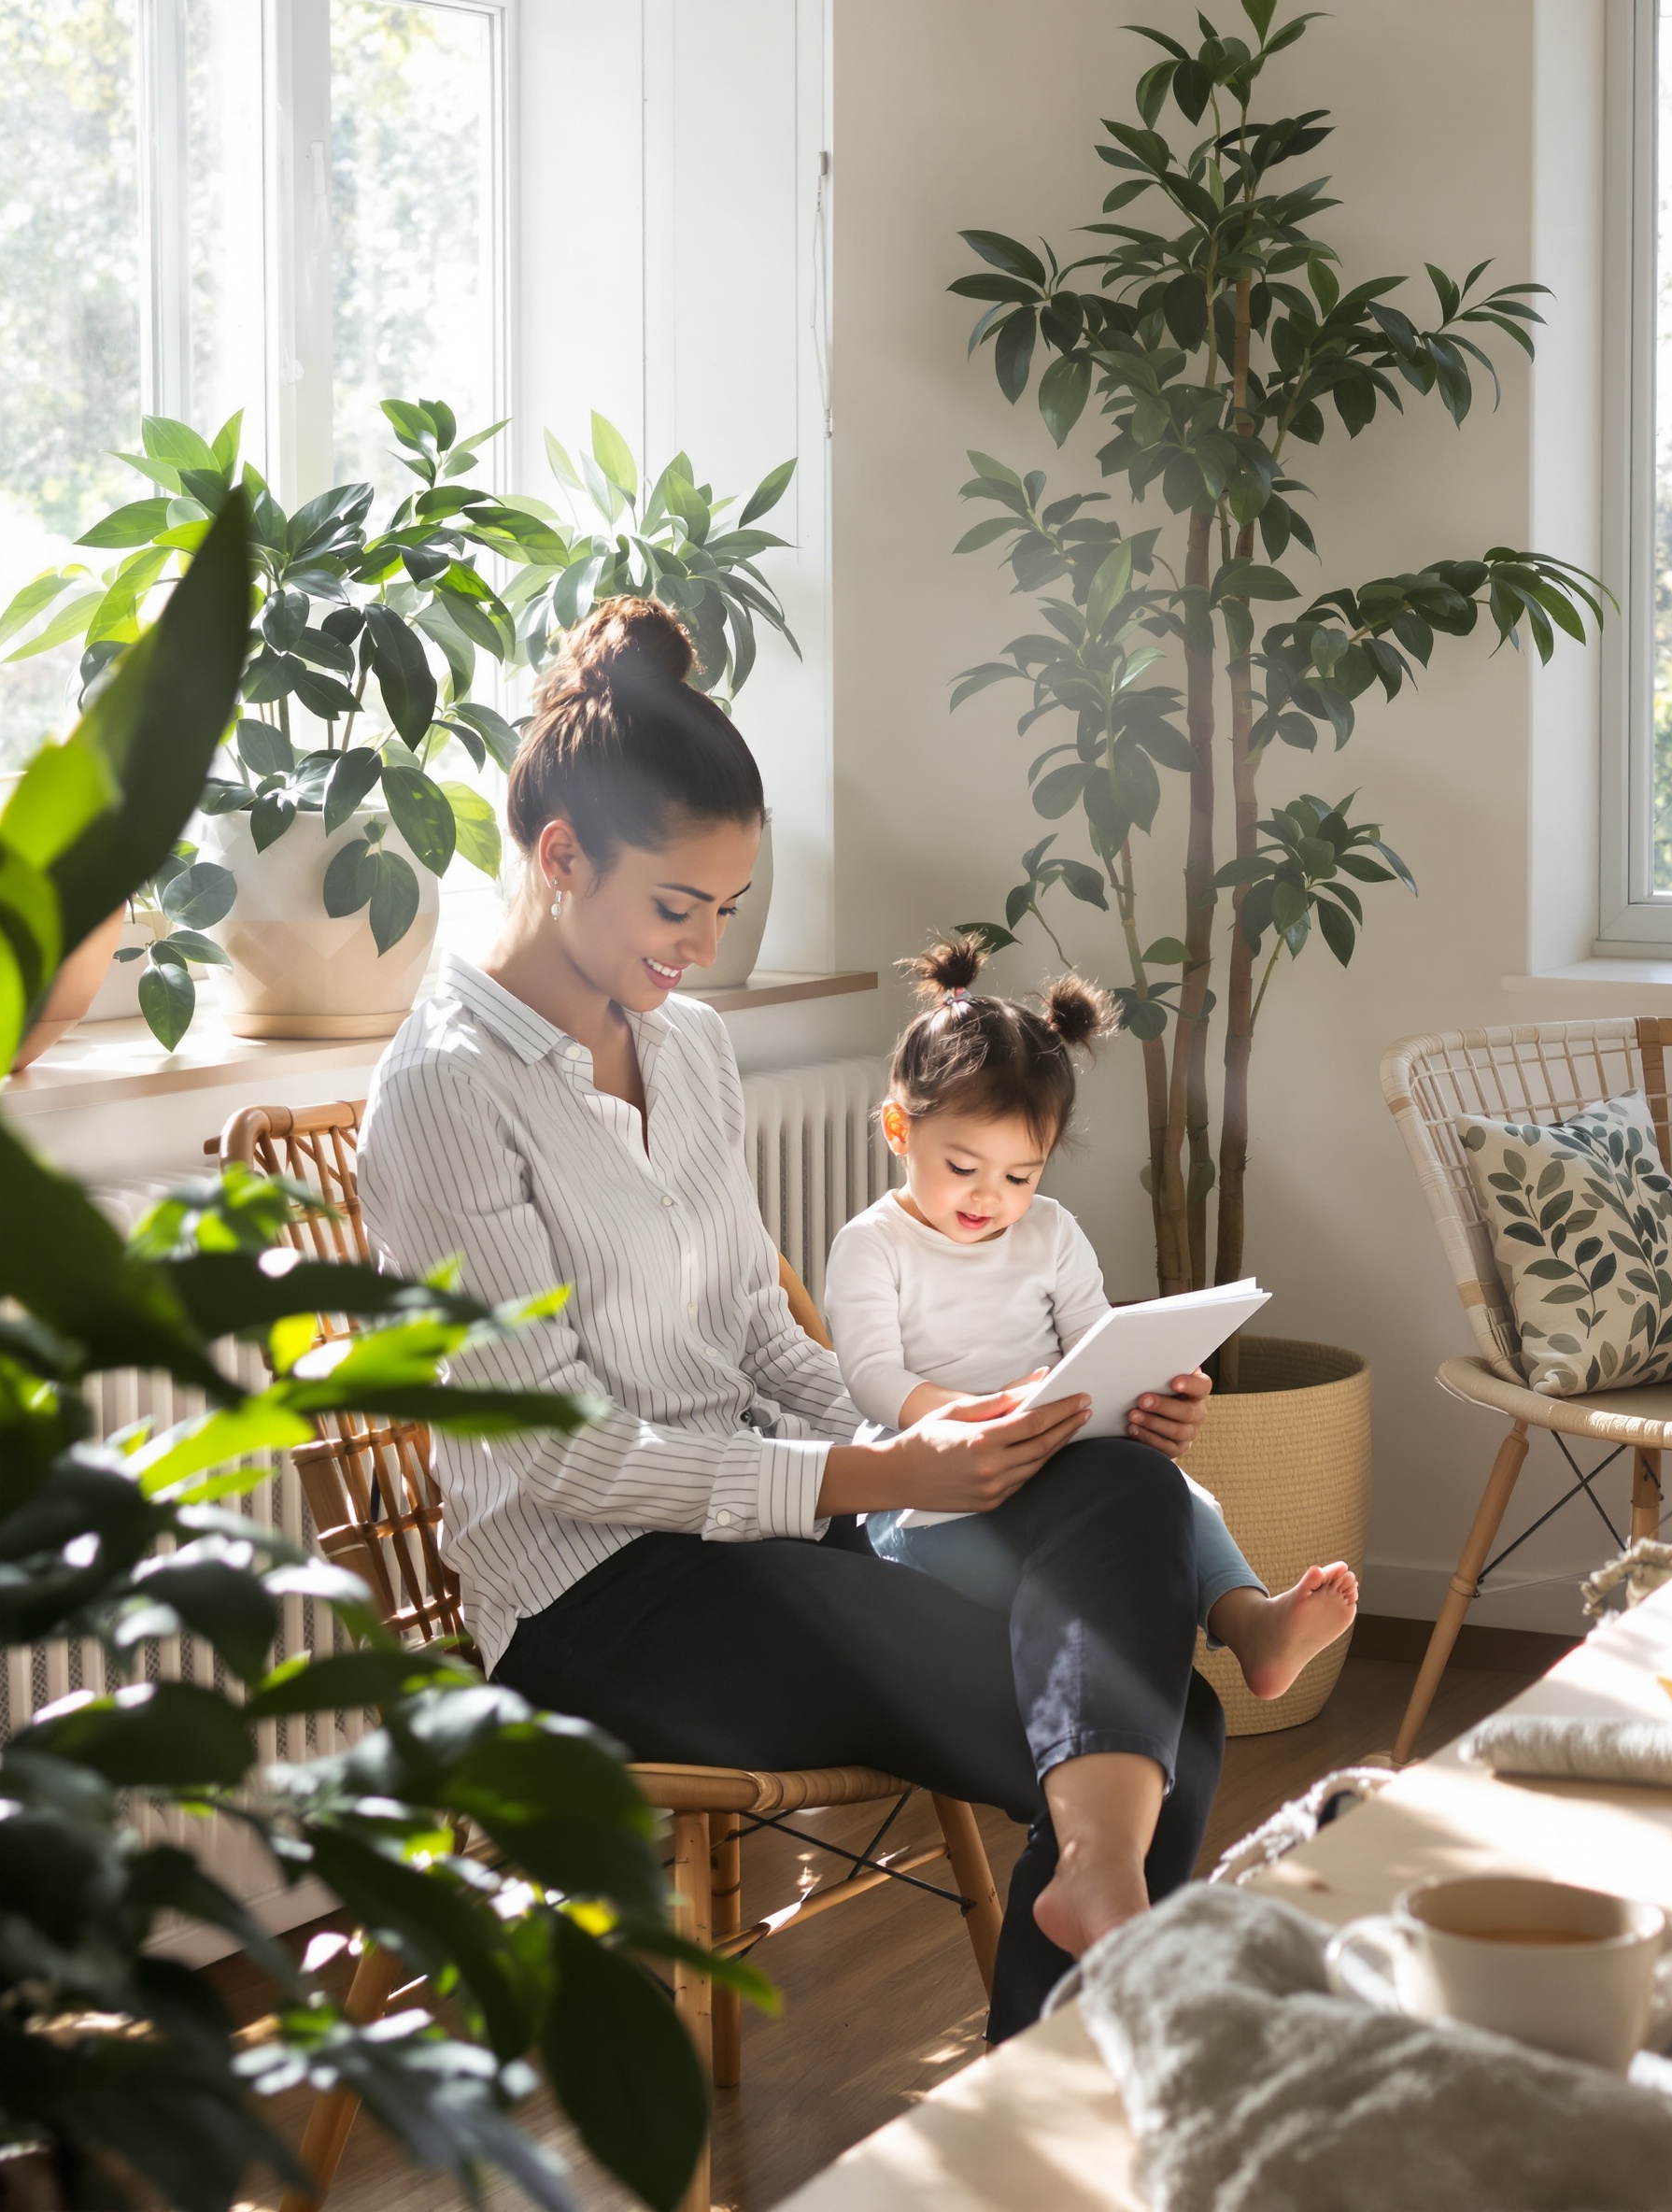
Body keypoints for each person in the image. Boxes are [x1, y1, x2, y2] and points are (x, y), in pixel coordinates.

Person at [357, 595, 1226, 2038]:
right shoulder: (447, 1091)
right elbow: (553, 1452)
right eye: (674, 907)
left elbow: (760, 1335)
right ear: (560, 857)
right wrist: (872, 1476)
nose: (701, 948)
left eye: (727, 908)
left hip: (776, 1527)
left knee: (1126, 1493)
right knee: (1158, 1727)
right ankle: (1066, 2108)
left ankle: (1070, 2002)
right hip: (599, 1602)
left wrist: (971, 1433)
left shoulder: (690, 1050)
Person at [823, 936, 1359, 1704]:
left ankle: (1251, 1622)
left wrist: (1154, 1394)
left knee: (1170, 1496)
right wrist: (974, 1418)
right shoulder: (874, 1244)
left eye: (1020, 1174)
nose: (989, 1196)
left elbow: (1098, 1346)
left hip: (1054, 1462)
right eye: (963, 1168)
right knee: (1068, 1581)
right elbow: (873, 1379)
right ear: (900, 1131)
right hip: (922, 1493)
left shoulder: (1050, 1232)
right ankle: (1082, 1685)